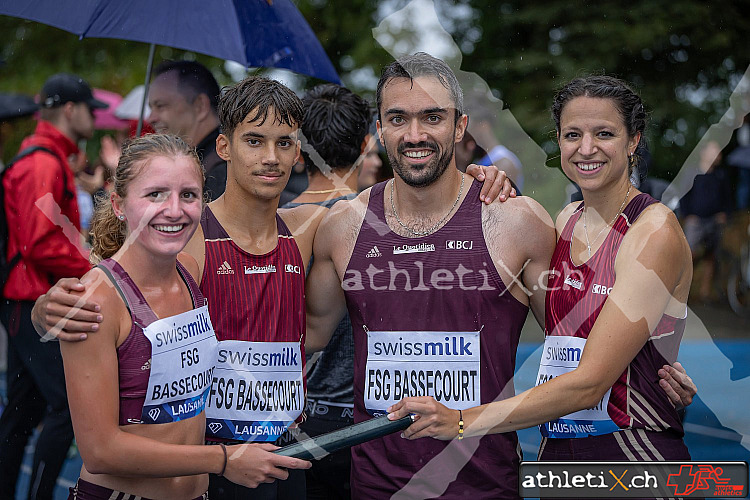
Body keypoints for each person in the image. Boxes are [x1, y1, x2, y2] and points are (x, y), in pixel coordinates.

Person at [389, 75, 694, 465]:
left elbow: (589, 384)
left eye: (604, 133)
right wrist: (473, 184)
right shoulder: (567, 219)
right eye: (572, 135)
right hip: (560, 453)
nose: (586, 149)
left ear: (633, 140)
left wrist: (462, 421)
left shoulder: (652, 232)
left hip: (634, 455)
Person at [61, 133, 310, 499]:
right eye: (155, 194)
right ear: (117, 203)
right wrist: (222, 460)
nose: (174, 210)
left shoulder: (190, 270)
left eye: (188, 195)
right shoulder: (97, 300)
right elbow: (100, 451)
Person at [0, 73, 106, 500]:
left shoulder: (46, 157)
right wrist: (96, 266)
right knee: (67, 409)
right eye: (90, 110)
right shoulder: (44, 161)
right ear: (69, 110)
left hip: (25, 301)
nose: (95, 120)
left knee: (22, 414)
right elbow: (40, 242)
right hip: (30, 302)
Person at [282, 83, 372, 500]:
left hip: (286, 418)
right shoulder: (385, 222)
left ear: (298, 150)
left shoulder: (270, 225)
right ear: (367, 143)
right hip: (371, 419)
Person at [148, 60, 226, 200]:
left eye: (160, 106)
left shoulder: (222, 173)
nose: (151, 118)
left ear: (200, 106)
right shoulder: (201, 163)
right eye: (151, 108)